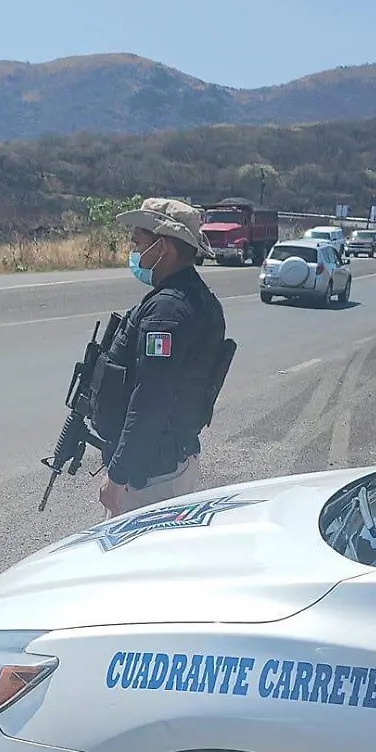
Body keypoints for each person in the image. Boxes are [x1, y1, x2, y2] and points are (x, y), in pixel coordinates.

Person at [89, 197, 229, 517]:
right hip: (169, 460)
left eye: (138, 243)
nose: (134, 253)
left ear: (162, 247)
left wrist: (118, 475)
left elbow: (152, 396)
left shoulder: (167, 310)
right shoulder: (198, 298)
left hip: (152, 474)